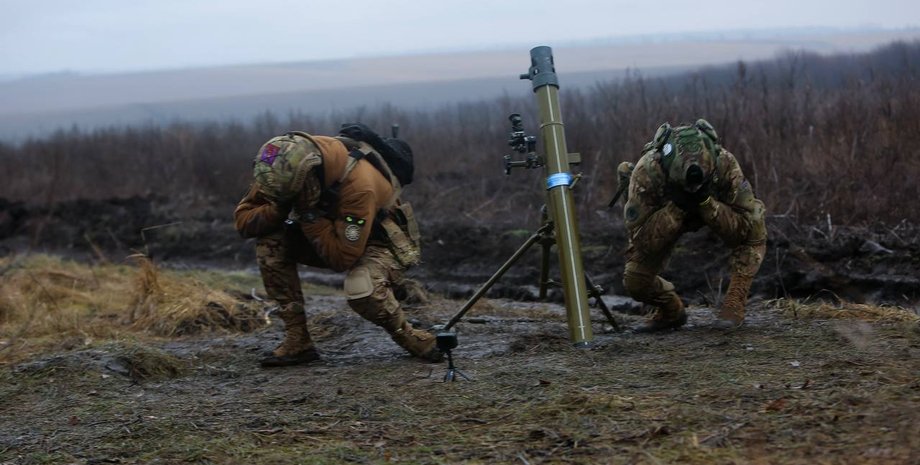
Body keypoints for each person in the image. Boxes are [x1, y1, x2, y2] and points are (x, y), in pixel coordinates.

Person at [234, 123, 442, 366]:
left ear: (308, 177)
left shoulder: (358, 185)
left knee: (361, 288)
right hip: (328, 233)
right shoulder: (282, 166)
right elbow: (244, 223)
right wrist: (279, 207)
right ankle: (298, 340)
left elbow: (342, 259)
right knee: (270, 243)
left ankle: (411, 337)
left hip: (380, 240)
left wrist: (309, 213)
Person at [617, 119, 766, 331]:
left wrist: (707, 203)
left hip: (713, 207)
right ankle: (672, 311)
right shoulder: (647, 172)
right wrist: (676, 208)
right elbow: (643, 242)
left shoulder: (723, 163)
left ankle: (735, 301)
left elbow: (743, 230)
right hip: (667, 215)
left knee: (755, 224)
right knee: (635, 281)